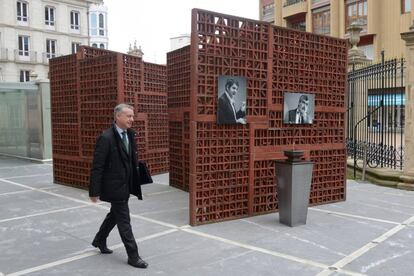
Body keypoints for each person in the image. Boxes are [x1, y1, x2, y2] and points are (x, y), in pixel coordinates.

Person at [89, 103, 148, 269]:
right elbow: (97, 167)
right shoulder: (106, 138)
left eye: (132, 116)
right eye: (128, 116)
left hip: (127, 184)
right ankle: (133, 256)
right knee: (124, 220)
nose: (132, 119)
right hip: (114, 187)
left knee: (115, 214)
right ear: (117, 117)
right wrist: (94, 191)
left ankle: (99, 239)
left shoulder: (130, 134)